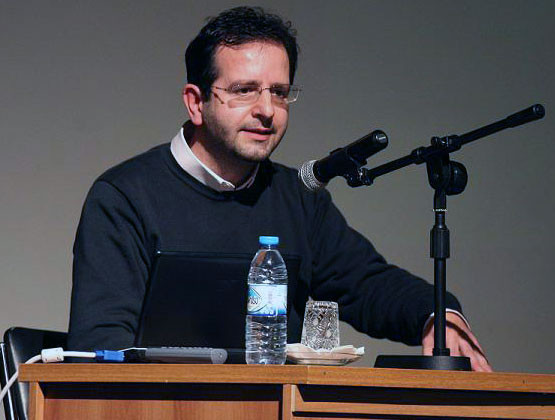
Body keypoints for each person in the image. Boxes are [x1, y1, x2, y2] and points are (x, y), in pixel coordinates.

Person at [66, 6, 491, 372]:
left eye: (280, 93)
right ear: (196, 102)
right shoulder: (125, 197)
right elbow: (100, 347)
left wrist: (438, 314)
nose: (267, 110)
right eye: (244, 91)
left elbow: (368, 284)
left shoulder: (298, 197)